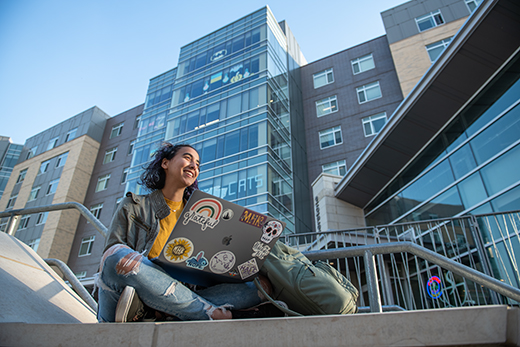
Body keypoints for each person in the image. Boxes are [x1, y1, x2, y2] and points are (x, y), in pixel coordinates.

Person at [95, 143, 284, 322]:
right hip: (127, 301)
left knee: (261, 286)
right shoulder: (134, 206)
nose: (194, 166)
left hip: (185, 296)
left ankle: (166, 312)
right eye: (187, 158)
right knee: (116, 255)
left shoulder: (203, 217)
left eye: (198, 164)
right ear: (165, 163)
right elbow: (112, 267)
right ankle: (212, 313)